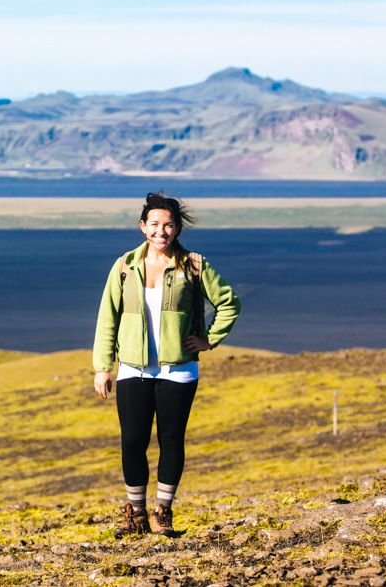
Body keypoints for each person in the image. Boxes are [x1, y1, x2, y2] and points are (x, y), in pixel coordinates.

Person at [92, 192, 240, 538]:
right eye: (155, 224)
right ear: (143, 226)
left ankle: (163, 512)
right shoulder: (125, 266)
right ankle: (136, 514)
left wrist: (209, 339)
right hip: (133, 369)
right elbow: (106, 318)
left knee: (172, 440)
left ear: (177, 228)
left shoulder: (195, 265)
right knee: (133, 442)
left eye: (169, 224)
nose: (162, 231)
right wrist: (103, 366)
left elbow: (229, 302)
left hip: (179, 370)